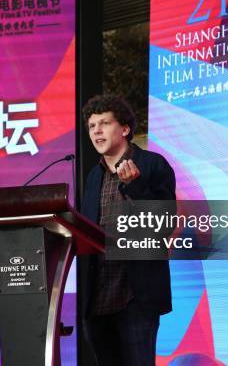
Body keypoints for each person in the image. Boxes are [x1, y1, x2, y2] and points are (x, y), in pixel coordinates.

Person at [80, 94, 176, 366]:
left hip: (136, 295)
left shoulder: (152, 165)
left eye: (104, 123)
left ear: (124, 129)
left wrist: (135, 186)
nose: (96, 130)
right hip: (97, 295)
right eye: (91, 126)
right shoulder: (93, 176)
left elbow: (164, 224)